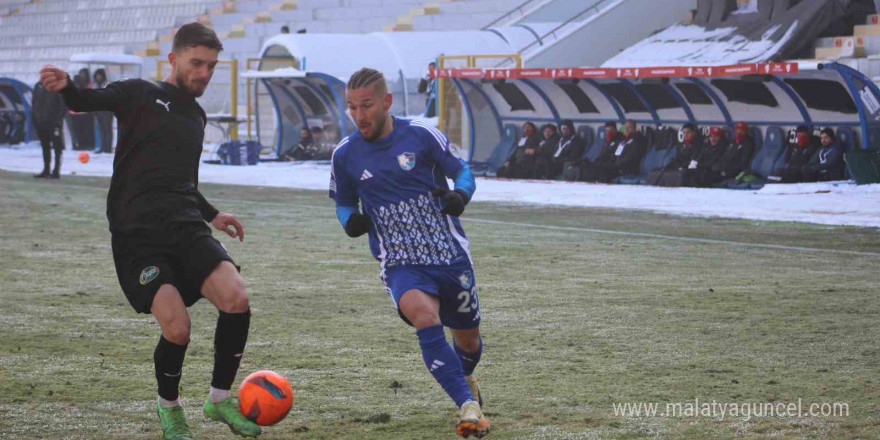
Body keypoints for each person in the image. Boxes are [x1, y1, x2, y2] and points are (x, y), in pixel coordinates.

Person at [39, 23, 261, 440]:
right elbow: (87, 99)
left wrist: (213, 215)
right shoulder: (139, 93)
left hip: (185, 227)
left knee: (236, 297)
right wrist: (67, 86)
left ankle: (218, 399)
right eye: (197, 63)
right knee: (177, 327)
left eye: (212, 66)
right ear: (172, 59)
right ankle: (170, 409)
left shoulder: (195, 115)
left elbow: (183, 182)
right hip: (138, 236)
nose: (204, 73)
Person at [330, 67, 490, 438]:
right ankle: (468, 406)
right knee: (424, 317)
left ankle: (465, 375)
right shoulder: (345, 154)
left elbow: (463, 171)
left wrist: (459, 195)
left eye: (366, 105)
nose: (359, 115)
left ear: (386, 102)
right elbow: (342, 201)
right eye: (352, 108)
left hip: (449, 255)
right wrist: (349, 221)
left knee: (469, 342)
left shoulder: (420, 135)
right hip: (400, 262)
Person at [696, 122, 754, 187]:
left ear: (746, 131)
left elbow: (742, 163)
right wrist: (718, 166)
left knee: (706, 176)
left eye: (741, 130)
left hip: (732, 172)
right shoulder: (734, 142)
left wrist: (725, 169)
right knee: (702, 173)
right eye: (737, 130)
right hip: (722, 168)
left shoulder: (748, 143)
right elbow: (725, 157)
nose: (739, 132)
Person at [31, 81, 67, 179]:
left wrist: (58, 120)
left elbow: (63, 105)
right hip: (41, 122)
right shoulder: (38, 86)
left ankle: (56, 171)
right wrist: (35, 118)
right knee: (45, 146)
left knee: (57, 146)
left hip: (54, 122)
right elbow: (34, 103)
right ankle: (46, 169)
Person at [68, 68, 95, 151]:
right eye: (81, 74)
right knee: (78, 129)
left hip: (86, 111)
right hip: (76, 112)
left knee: (87, 129)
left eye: (83, 74)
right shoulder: (74, 86)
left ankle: (89, 144)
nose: (82, 76)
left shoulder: (88, 85)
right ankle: (80, 144)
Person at [93, 68, 114, 154]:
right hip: (98, 110)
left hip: (107, 110)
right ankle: (102, 147)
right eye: (97, 75)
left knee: (107, 129)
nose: (98, 77)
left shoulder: (107, 84)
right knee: (101, 129)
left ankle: (108, 147)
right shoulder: (95, 85)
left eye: (100, 75)